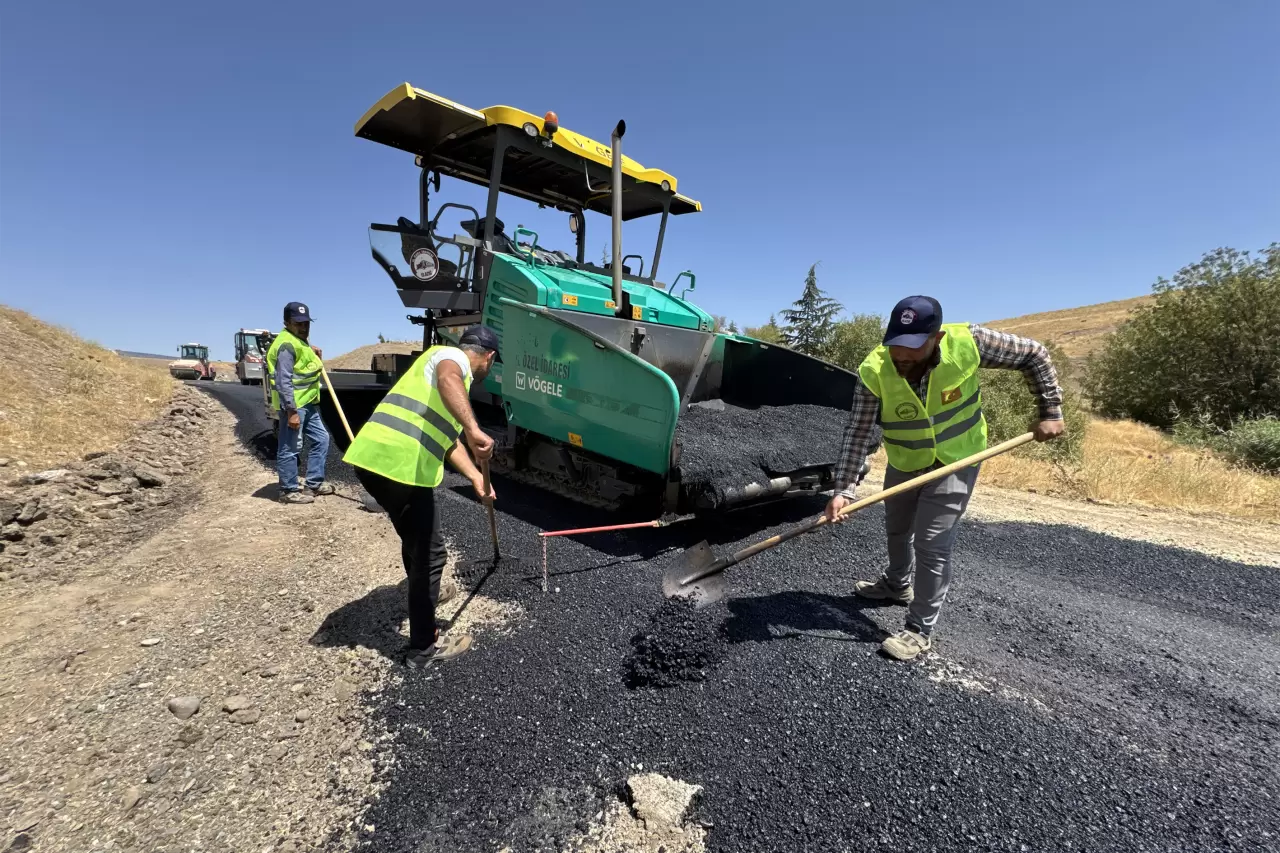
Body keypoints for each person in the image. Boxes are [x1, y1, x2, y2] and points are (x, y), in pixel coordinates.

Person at [826, 296, 1064, 661]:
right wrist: (844, 489)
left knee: (932, 543)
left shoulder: (969, 342)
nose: (901, 355)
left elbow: (1034, 354)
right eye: (895, 345)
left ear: (936, 338)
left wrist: (1050, 409)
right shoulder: (874, 370)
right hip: (906, 459)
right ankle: (896, 584)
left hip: (957, 458)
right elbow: (858, 434)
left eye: (912, 346)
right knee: (897, 528)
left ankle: (919, 629)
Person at [343, 326, 500, 669]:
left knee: (416, 540)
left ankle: (425, 594)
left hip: (375, 463)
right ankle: (423, 648)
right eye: (492, 364)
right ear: (488, 357)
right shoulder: (451, 359)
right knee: (431, 553)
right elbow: (448, 378)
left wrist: (476, 477)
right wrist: (474, 428)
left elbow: (448, 440)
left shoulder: (439, 381)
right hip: (398, 466)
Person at [266, 301, 333, 504]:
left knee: (321, 438)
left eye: (306, 323)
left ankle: (313, 484)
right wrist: (291, 411)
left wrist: (313, 353)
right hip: (294, 405)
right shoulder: (286, 345)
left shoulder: (299, 342)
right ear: (287, 323)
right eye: (298, 324)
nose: (303, 327)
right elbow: (283, 380)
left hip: (307, 403)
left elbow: (303, 364)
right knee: (290, 446)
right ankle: (288, 490)